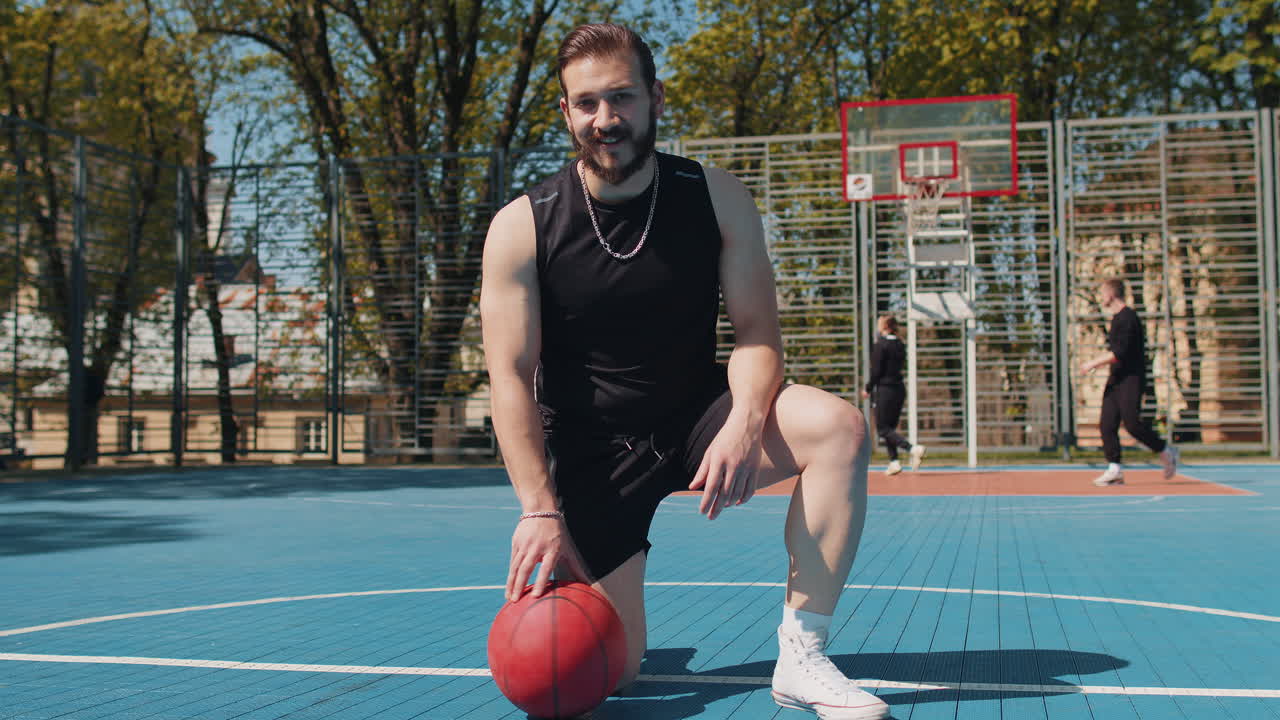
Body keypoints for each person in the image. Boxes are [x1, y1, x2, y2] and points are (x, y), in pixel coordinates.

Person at [480, 23, 889, 720]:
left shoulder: (715, 197)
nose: (605, 120)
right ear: (565, 113)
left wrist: (743, 423)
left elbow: (759, 336)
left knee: (839, 429)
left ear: (654, 99)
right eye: (586, 104)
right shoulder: (524, 225)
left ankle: (802, 653)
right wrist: (540, 510)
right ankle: (618, 621)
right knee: (608, 670)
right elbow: (511, 378)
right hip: (590, 453)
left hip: (699, 414)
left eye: (621, 98)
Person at [1078, 278, 1179, 486]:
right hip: (1116, 378)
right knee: (1107, 424)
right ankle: (1115, 469)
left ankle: (1165, 449)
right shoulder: (1116, 319)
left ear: (1111, 294)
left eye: (1103, 293)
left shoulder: (1128, 318)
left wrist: (1092, 364)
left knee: (1132, 424)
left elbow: (1120, 352)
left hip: (1131, 379)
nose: (1101, 297)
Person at [861, 314, 925, 475]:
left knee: (882, 429)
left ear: (885, 326)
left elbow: (876, 371)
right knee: (890, 428)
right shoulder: (900, 344)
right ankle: (894, 461)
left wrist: (867, 388)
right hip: (899, 389)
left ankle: (912, 448)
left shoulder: (881, 345)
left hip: (885, 390)